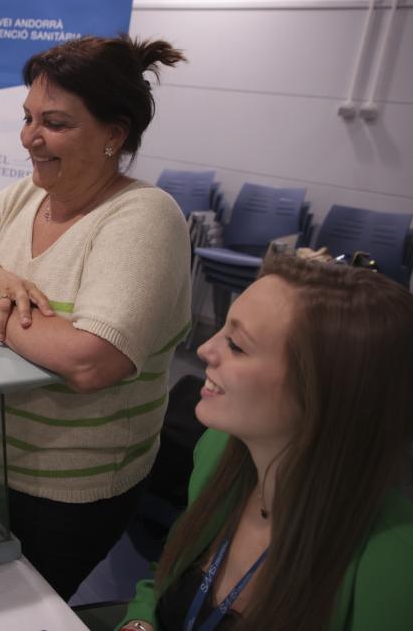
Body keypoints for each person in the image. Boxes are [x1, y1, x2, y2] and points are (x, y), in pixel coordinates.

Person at [0, 35, 192, 599]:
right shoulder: (23, 197)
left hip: (61, 491)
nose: (30, 138)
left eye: (55, 123)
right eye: (29, 118)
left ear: (114, 134)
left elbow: (89, 359)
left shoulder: (144, 217)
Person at [119, 256, 413, 630]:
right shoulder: (220, 452)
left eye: (237, 345)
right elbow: (167, 572)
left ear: (322, 392)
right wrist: (141, 622)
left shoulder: (394, 563)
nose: (206, 350)